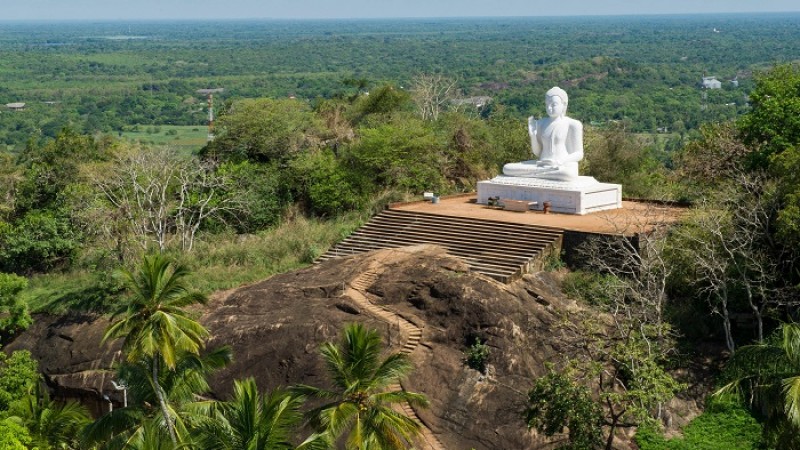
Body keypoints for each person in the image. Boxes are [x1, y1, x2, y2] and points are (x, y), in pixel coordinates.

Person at [502, 87, 583, 181]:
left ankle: (540, 174)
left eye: (554, 105)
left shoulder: (572, 124)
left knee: (568, 174)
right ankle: (543, 173)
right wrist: (533, 136)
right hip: (541, 164)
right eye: (547, 104)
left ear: (564, 105)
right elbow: (538, 152)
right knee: (507, 168)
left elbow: (579, 154)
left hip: (562, 164)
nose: (549, 108)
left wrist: (561, 161)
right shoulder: (540, 123)